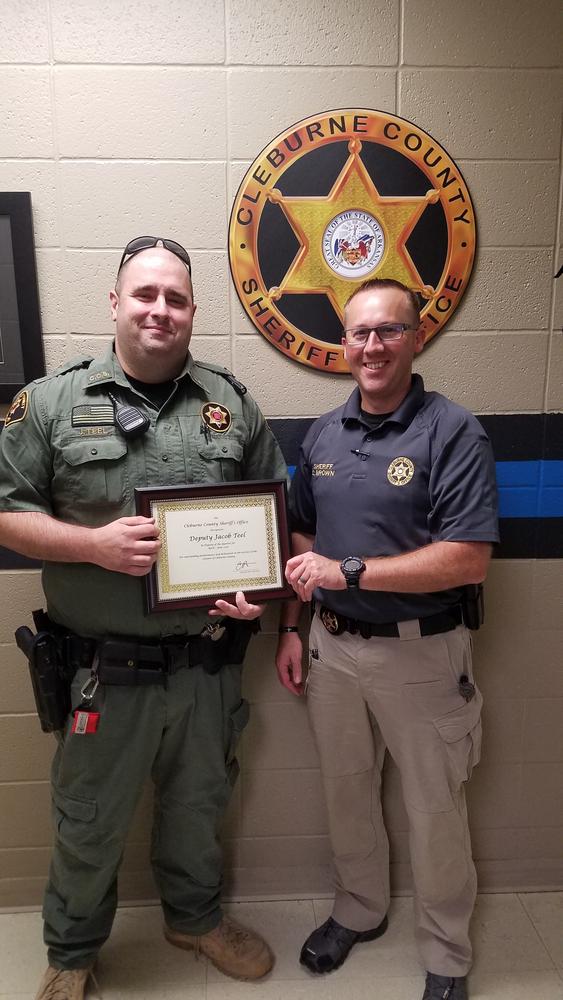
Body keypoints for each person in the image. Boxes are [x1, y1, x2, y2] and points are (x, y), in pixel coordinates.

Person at [0, 236, 288, 1000]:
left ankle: (193, 919)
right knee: (88, 822)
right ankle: (71, 950)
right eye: (145, 294)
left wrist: (253, 591)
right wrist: (91, 546)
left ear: (192, 311)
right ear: (116, 304)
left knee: (200, 806)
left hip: (206, 667)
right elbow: (6, 513)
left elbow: (271, 516)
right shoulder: (54, 401)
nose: (160, 309)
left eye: (176, 298)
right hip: (103, 673)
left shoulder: (232, 405)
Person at [275, 278, 499, 1000]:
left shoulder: (451, 430)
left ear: (416, 337)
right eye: (359, 333)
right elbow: (301, 529)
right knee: (346, 794)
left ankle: (445, 953)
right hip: (332, 649)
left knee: (435, 811)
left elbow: (466, 556)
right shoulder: (323, 434)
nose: (371, 346)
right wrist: (293, 622)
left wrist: (347, 570)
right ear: (343, 344)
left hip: (421, 652)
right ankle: (360, 910)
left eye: (387, 332)